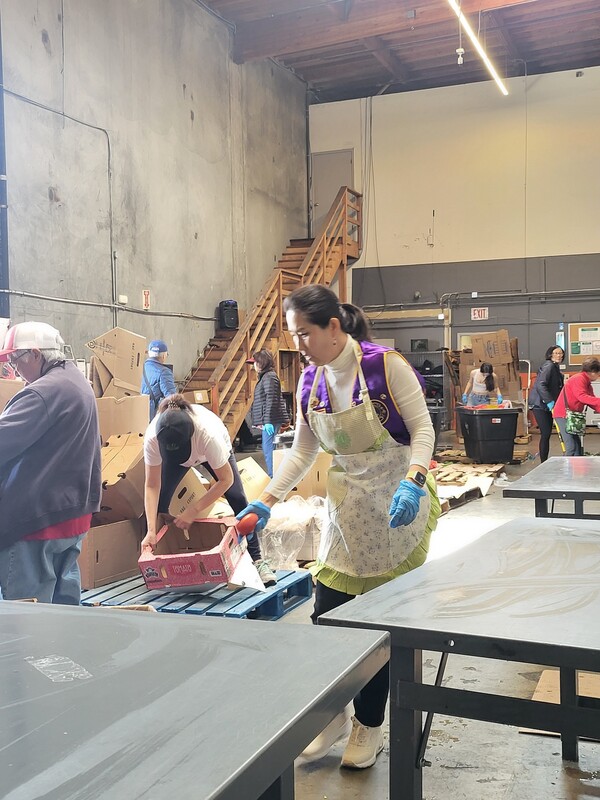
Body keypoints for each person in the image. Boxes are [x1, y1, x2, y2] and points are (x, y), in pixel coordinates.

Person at [235, 285, 441, 770]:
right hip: (349, 511)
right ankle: (332, 715)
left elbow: (423, 429)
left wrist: (414, 481)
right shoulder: (311, 383)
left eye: (304, 333)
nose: (299, 345)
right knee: (327, 615)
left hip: (397, 504)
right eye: (293, 335)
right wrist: (265, 501)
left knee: (379, 626)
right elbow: (304, 452)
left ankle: (369, 724)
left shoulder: (384, 367)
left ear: (333, 327)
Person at [0, 321, 101, 604]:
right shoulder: (76, 381)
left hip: (35, 522)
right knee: (63, 609)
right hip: (71, 515)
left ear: (35, 354)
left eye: (15, 359)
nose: (13, 368)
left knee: (28, 618)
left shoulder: (42, 393)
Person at [141, 393, 277, 586]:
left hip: (209, 452)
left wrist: (193, 510)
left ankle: (258, 560)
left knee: (238, 499)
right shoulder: (152, 438)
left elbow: (226, 480)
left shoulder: (207, 435)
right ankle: (161, 564)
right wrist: (151, 530)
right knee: (161, 504)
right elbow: (152, 485)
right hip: (177, 459)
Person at [248, 349, 290, 477]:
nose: (254, 366)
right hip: (270, 419)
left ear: (262, 363)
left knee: (269, 450)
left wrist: (267, 422)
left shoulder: (269, 377)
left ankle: (274, 478)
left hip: (271, 420)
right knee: (269, 449)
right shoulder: (266, 377)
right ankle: (274, 476)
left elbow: (271, 399)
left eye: (255, 363)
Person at [552, 356, 600, 456]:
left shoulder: (587, 383)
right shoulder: (579, 379)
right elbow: (581, 397)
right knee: (571, 447)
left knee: (577, 447)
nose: (598, 376)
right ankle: (565, 466)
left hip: (572, 416)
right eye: (598, 373)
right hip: (563, 415)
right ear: (592, 372)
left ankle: (577, 466)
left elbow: (592, 402)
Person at [528, 345, 565, 462]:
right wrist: (549, 401)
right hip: (540, 404)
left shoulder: (555, 367)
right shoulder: (549, 366)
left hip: (546, 404)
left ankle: (544, 460)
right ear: (550, 355)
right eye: (556, 353)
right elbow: (541, 385)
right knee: (545, 433)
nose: (559, 355)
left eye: (561, 353)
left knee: (546, 433)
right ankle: (543, 461)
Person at [141, 339, 177, 419]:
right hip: (153, 415)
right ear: (164, 355)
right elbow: (171, 398)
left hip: (138, 411)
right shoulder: (164, 372)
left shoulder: (140, 368)